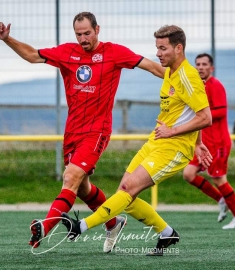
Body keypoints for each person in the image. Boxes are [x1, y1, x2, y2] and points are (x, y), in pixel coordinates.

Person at [0, 12, 167, 253]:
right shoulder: (67, 53)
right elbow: (33, 56)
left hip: (97, 131)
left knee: (70, 177)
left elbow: (151, 66)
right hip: (72, 131)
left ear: (98, 29)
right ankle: (113, 223)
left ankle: (45, 227)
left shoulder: (113, 52)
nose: (83, 38)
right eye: (79, 34)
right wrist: (7, 39)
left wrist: (179, 81)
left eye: (87, 33)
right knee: (83, 188)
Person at [61, 24, 213, 255]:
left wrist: (179, 135)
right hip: (156, 141)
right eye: (157, 48)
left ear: (178, 48)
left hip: (175, 148)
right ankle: (166, 232)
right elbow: (191, 110)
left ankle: (80, 226)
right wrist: (199, 142)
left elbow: (205, 117)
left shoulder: (188, 76)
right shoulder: (171, 72)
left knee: (129, 189)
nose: (158, 53)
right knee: (126, 193)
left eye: (163, 48)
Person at [182, 53, 235, 229]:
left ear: (211, 68)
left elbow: (220, 113)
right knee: (188, 174)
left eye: (204, 64)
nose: (201, 67)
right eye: (198, 64)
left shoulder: (215, 85)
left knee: (219, 180)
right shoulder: (198, 86)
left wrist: (199, 113)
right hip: (204, 144)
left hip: (218, 143)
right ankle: (221, 199)